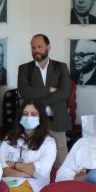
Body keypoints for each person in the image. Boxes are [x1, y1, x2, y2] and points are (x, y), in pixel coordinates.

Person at [17, 34, 72, 167]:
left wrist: (39, 102)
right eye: (33, 47)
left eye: (39, 47)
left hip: (57, 119)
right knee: (34, 152)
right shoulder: (25, 69)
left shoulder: (61, 67)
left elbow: (65, 92)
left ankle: (60, 179)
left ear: (48, 47)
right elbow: (24, 92)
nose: (36, 50)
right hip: (33, 120)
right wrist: (49, 90)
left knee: (60, 152)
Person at [0, 99, 56, 192]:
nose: (28, 117)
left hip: (33, 186)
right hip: (6, 182)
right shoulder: (10, 138)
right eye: (25, 114)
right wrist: (23, 173)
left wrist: (14, 164)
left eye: (33, 114)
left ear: (41, 117)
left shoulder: (49, 143)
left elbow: (40, 171)